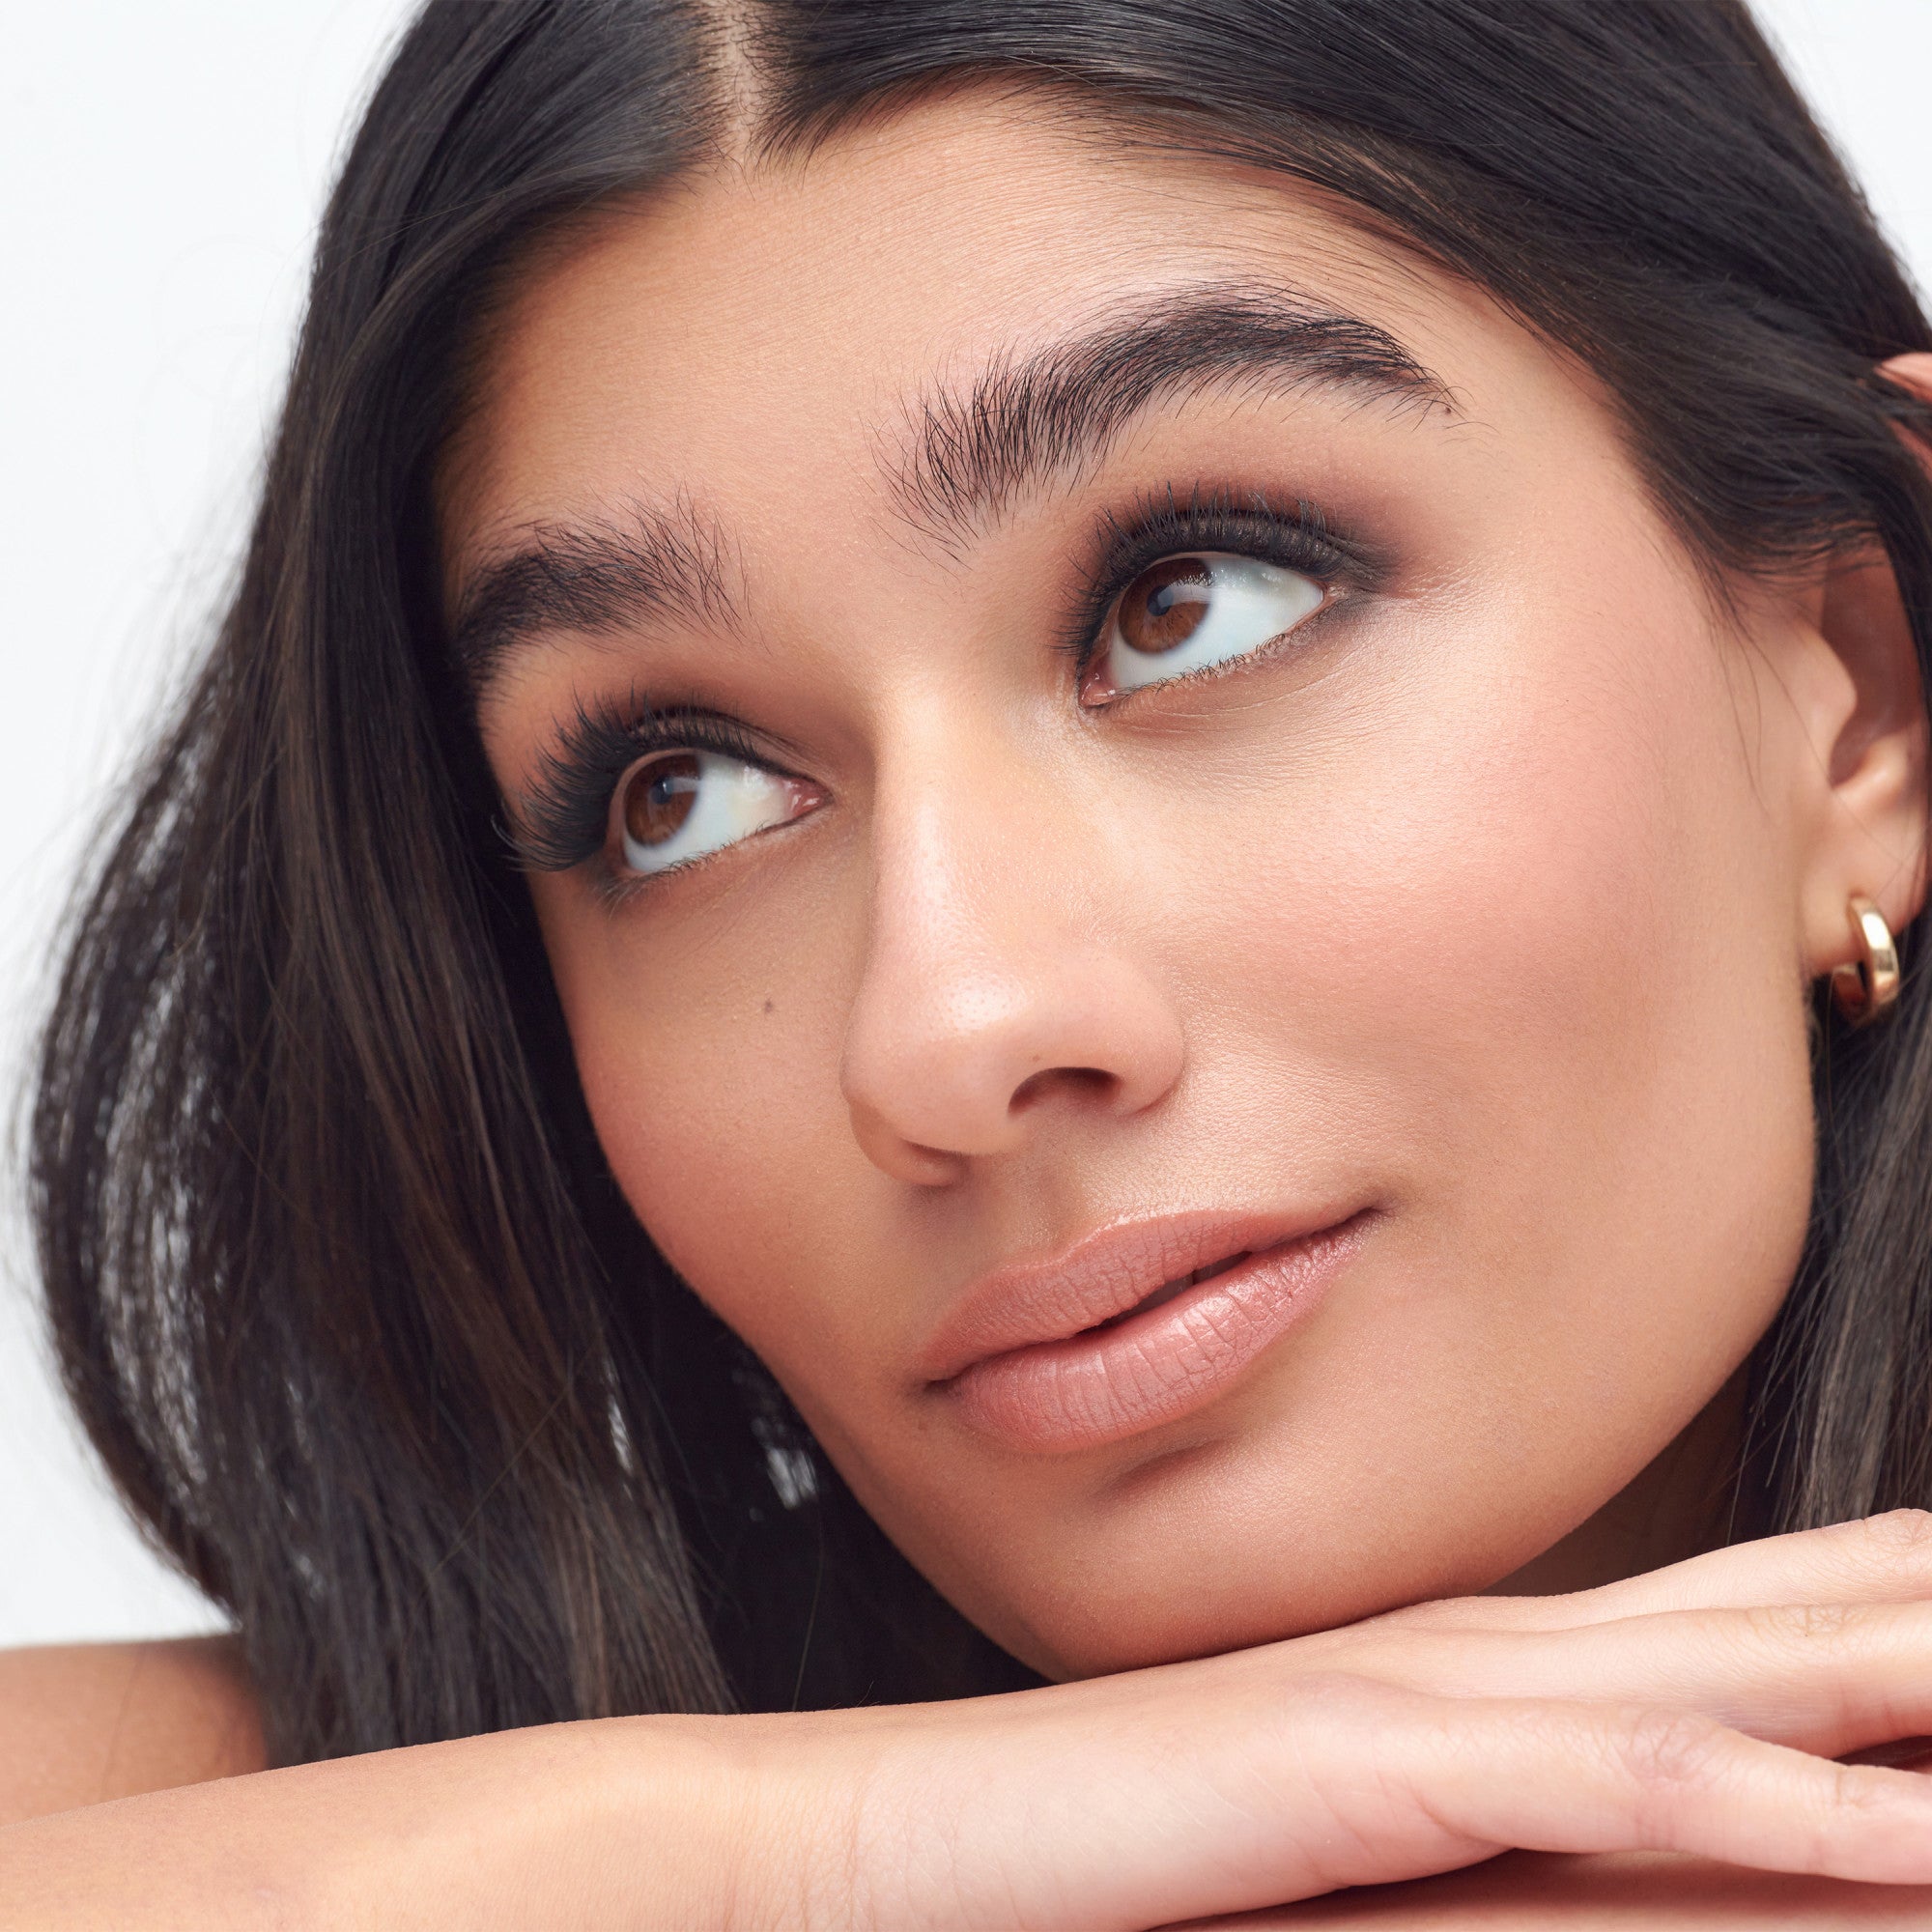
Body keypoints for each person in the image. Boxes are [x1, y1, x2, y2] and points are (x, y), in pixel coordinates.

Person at [10, 0, 1932, 1922]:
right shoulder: (398, 1811)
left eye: (1190, 598)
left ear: (1862, 700)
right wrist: (806, 1853)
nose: (947, 1027)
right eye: (677, 794)